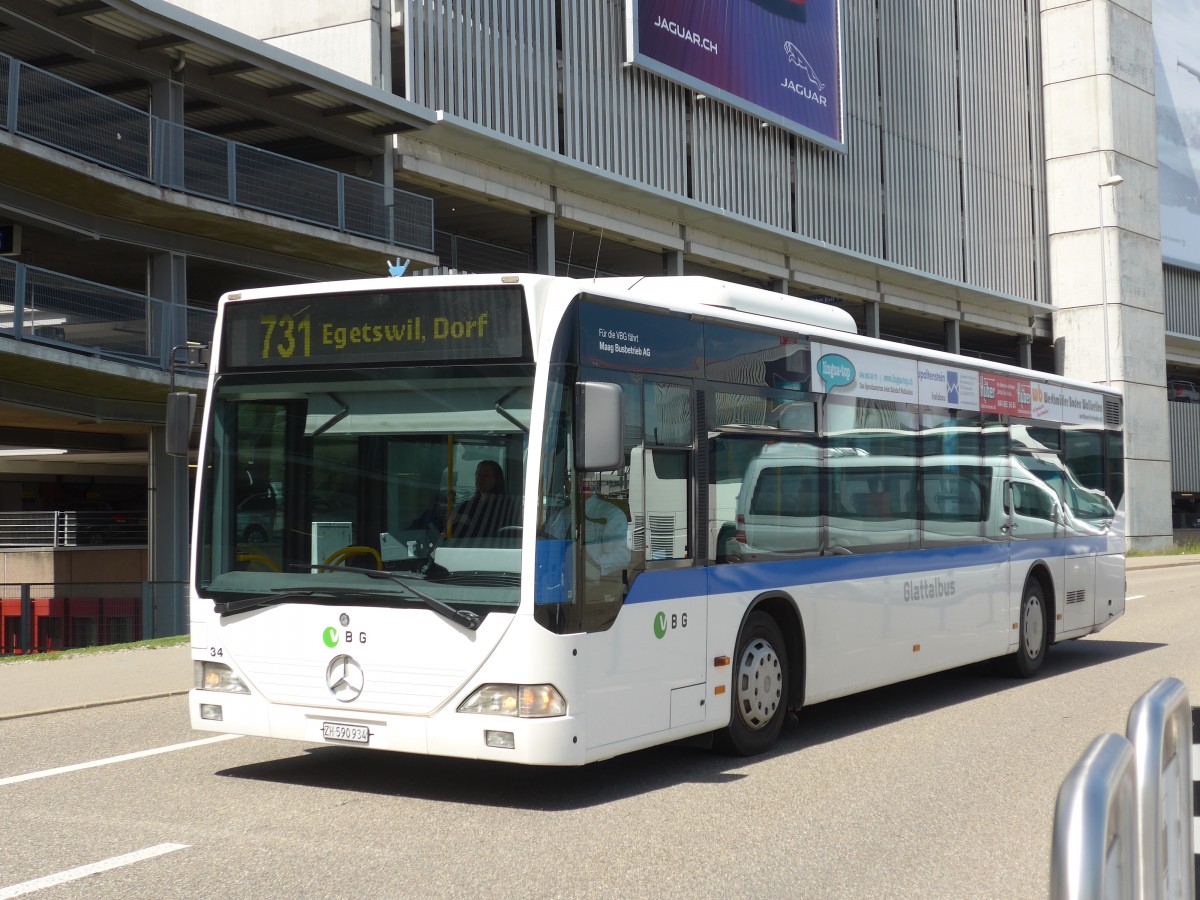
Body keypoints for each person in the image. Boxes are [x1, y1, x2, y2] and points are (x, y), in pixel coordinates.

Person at [446, 460, 518, 539]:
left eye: (486, 476)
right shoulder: (471, 504)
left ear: (497, 479)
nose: (481, 479)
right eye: (479, 475)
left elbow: (493, 528)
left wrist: (465, 519)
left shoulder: (506, 504)